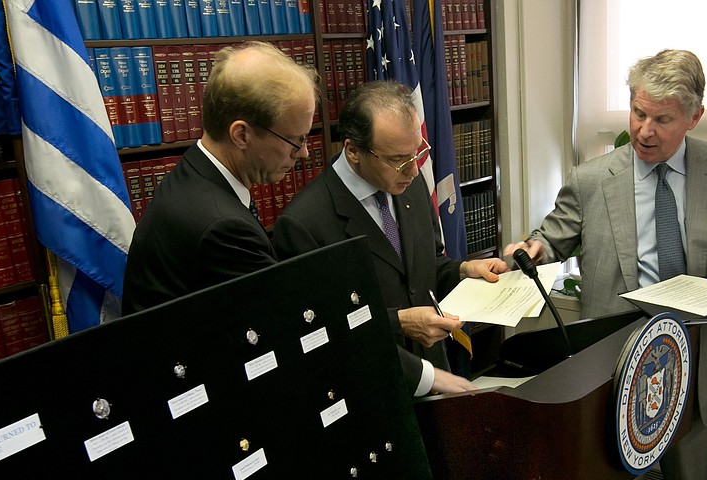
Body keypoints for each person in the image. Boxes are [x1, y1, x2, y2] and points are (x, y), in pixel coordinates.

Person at [505, 49, 707, 480]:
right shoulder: (591, 177)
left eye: (662, 119)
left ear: (694, 117)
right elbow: (552, 237)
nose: (644, 131)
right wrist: (531, 250)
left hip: (696, 363)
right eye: (637, 113)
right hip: (619, 363)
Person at [273, 81, 510, 396]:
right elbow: (321, 328)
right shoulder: (303, 223)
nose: (413, 170)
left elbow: (422, 272)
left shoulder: (408, 184)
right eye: (398, 159)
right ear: (353, 151)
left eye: (416, 153)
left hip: (438, 376)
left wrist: (462, 271)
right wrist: (400, 323)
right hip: (371, 390)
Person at [122, 42, 319, 314]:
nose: (305, 153)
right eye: (295, 141)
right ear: (241, 135)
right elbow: (281, 320)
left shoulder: (194, 171)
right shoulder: (224, 229)